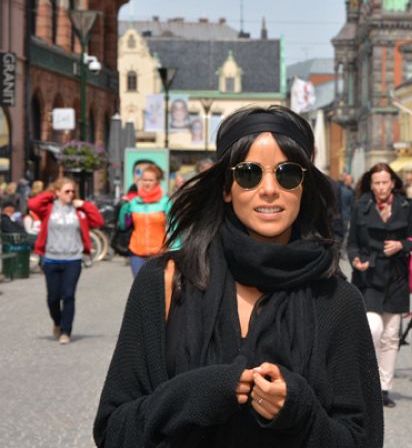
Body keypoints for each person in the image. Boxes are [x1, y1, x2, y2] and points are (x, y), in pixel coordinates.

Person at [94, 105, 382, 447]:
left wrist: (300, 413)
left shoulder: (337, 300)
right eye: (249, 173)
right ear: (227, 188)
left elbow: (362, 440)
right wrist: (192, 395)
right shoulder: (167, 282)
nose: (270, 188)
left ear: (304, 187)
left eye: (287, 173)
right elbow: (114, 430)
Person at [348, 163, 412, 408]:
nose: (380, 187)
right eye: (376, 182)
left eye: (384, 182)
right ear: (370, 183)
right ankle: (367, 382)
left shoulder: (405, 205)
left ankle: (383, 388)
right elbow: (352, 243)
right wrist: (355, 260)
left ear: (392, 183)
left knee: (391, 335)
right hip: (369, 277)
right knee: (374, 329)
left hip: (397, 277)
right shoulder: (360, 206)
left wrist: (402, 245)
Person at [28, 177, 104, 344]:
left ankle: (65, 331)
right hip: (51, 259)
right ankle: (57, 321)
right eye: (67, 191)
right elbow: (32, 204)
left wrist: (83, 204)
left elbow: (98, 221)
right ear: (57, 193)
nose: (71, 194)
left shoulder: (78, 211)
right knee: (53, 298)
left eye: (72, 191)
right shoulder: (48, 208)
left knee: (68, 295)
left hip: (73, 259)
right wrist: (50, 194)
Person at [117, 164, 171, 278]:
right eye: (144, 180)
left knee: (156, 289)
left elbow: (175, 227)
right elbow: (123, 226)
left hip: (160, 253)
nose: (147, 183)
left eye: (151, 180)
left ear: (157, 181)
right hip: (136, 252)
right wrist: (123, 211)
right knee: (139, 289)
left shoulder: (165, 202)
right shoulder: (134, 202)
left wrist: (176, 249)